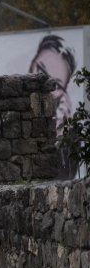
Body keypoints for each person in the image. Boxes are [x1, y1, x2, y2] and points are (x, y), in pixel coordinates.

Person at [28, 34, 79, 179]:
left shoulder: (69, 135)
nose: (44, 83)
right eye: (41, 70)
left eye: (55, 84)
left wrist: (60, 131)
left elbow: (64, 181)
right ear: (32, 63)